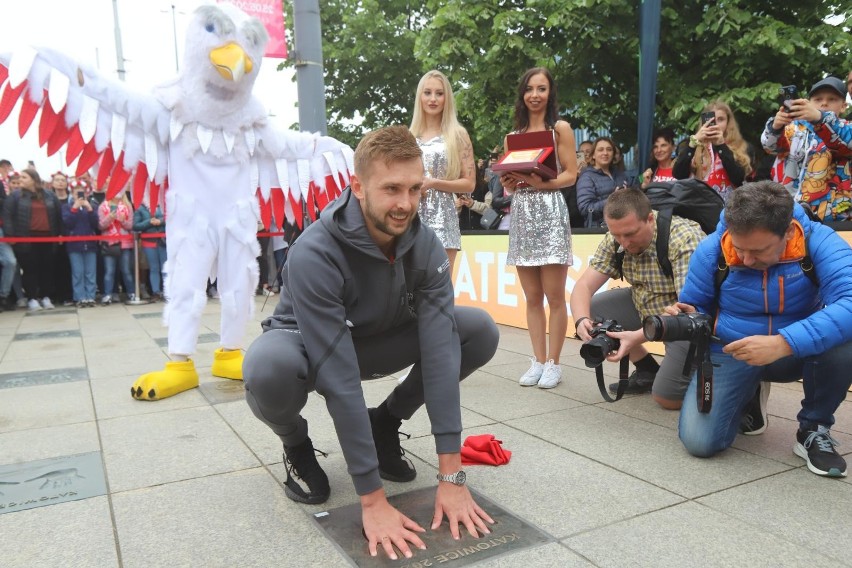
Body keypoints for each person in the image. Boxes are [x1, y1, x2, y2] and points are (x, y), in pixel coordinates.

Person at [242, 126, 499, 560]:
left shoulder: (427, 244)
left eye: (415, 189)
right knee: (267, 370)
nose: (406, 204)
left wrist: (451, 476)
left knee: (476, 330)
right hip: (309, 343)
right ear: (358, 187)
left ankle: (386, 421)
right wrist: (372, 500)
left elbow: (439, 352)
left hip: (378, 336)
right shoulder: (314, 251)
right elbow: (339, 376)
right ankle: (295, 443)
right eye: (392, 188)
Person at [676, 181, 852, 477]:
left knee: (844, 341)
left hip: (796, 350)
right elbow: (697, 306)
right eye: (739, 248)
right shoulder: (712, 248)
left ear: (787, 233)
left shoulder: (819, 242)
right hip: (733, 349)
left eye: (757, 251)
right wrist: (688, 315)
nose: (745, 259)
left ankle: (813, 428)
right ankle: (749, 397)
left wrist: (784, 343)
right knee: (699, 442)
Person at [570, 187, 704, 407]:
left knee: (666, 398)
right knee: (594, 309)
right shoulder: (616, 238)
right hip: (645, 304)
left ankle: (731, 381)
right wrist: (581, 321)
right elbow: (583, 286)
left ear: (650, 219)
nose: (624, 243)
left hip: (684, 321)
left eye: (630, 234)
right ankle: (647, 370)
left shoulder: (683, 238)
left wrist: (636, 336)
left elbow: (687, 311)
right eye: (617, 235)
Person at [499, 67, 578, 388]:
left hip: (550, 210)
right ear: (522, 94)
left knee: (554, 296)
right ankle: (537, 360)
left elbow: (571, 174)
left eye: (541, 89)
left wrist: (540, 184)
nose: (535, 95)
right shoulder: (512, 136)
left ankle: (554, 363)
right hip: (522, 212)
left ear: (550, 93)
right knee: (532, 297)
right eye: (529, 89)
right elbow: (510, 184)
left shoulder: (560, 129)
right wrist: (508, 183)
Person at [409, 70, 476, 273]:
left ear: (447, 98)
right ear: (420, 96)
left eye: (439, 93)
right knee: (410, 289)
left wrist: (433, 183)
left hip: (445, 218)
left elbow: (469, 183)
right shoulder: (409, 136)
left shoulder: (458, 134)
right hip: (411, 218)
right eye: (427, 92)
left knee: (441, 288)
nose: (433, 99)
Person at [761, 76, 851, 220]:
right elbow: (770, 148)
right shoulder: (793, 129)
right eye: (818, 99)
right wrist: (775, 127)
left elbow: (848, 142)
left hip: (833, 217)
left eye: (832, 99)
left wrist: (820, 118)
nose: (824, 103)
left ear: (843, 106)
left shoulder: (847, 128)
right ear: (809, 103)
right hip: (790, 213)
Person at [2, 168, 62, 311]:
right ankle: (32, 298)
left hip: (48, 237)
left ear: (34, 180)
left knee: (47, 268)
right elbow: (8, 217)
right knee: (30, 269)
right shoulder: (15, 197)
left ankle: (46, 297)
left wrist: (60, 233)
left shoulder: (49, 195)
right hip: (26, 238)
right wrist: (10, 235)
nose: (20, 180)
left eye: (24, 177)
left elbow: (58, 216)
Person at [674, 100, 754, 200]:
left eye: (720, 119)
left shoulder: (741, 146)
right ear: (704, 122)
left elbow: (738, 178)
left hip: (730, 208)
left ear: (728, 122)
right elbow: (678, 175)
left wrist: (721, 146)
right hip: (701, 207)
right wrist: (692, 144)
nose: (716, 124)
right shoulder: (696, 146)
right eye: (712, 120)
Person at [576, 137, 629, 227]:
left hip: (622, 226)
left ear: (613, 153)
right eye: (600, 150)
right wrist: (612, 200)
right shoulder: (587, 177)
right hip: (598, 231)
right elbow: (585, 209)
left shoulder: (619, 174)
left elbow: (633, 188)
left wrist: (642, 183)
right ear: (593, 155)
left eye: (609, 150)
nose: (605, 153)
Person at [62, 179, 99, 307]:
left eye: (82, 193)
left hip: (90, 243)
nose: (79, 196)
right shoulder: (66, 207)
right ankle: (79, 297)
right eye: (76, 193)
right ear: (72, 193)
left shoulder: (92, 206)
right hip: (74, 244)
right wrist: (74, 209)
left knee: (90, 272)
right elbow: (68, 223)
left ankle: (91, 296)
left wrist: (89, 209)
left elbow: (96, 224)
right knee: (78, 272)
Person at [97, 189, 136, 304]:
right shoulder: (102, 207)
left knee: (126, 270)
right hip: (109, 243)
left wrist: (122, 221)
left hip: (124, 243)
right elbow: (100, 226)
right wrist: (109, 218)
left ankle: (131, 293)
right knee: (109, 271)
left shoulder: (127, 206)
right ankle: (107, 295)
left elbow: (130, 226)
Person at [132, 197, 167, 301]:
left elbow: (171, 218)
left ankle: (167, 291)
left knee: (165, 268)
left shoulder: (163, 204)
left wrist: (160, 222)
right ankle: (156, 291)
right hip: (149, 242)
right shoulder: (140, 208)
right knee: (154, 268)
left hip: (163, 241)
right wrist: (149, 222)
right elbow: (136, 226)